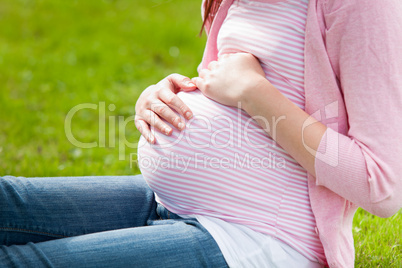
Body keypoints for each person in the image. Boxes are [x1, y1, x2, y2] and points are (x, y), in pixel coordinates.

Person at [1, 0, 401, 267]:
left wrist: (254, 93)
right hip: (171, 203)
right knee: (8, 200)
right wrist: (162, 96)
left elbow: (381, 185)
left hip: (259, 242)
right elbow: (224, 86)